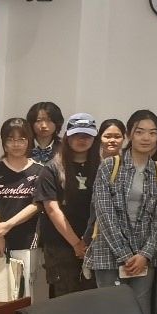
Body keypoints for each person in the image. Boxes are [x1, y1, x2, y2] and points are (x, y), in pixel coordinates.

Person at [88, 110, 157, 314]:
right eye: (140, 131)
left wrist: (145, 254)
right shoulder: (109, 166)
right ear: (129, 134)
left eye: (152, 133)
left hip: (144, 258)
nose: (146, 138)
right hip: (109, 255)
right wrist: (125, 255)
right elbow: (105, 214)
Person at [0, 118, 46, 298]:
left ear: (29, 141)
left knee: (23, 294)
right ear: (4, 142)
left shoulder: (40, 171)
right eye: (11, 139)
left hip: (26, 241)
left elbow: (37, 205)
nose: (16, 144)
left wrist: (7, 226)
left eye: (21, 139)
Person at [38, 113, 99, 297]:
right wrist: (76, 244)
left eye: (87, 135)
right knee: (64, 301)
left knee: (93, 300)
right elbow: (52, 209)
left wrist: (87, 242)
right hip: (60, 246)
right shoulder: (52, 168)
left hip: (95, 245)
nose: (82, 139)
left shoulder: (103, 167)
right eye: (77, 135)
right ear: (67, 136)